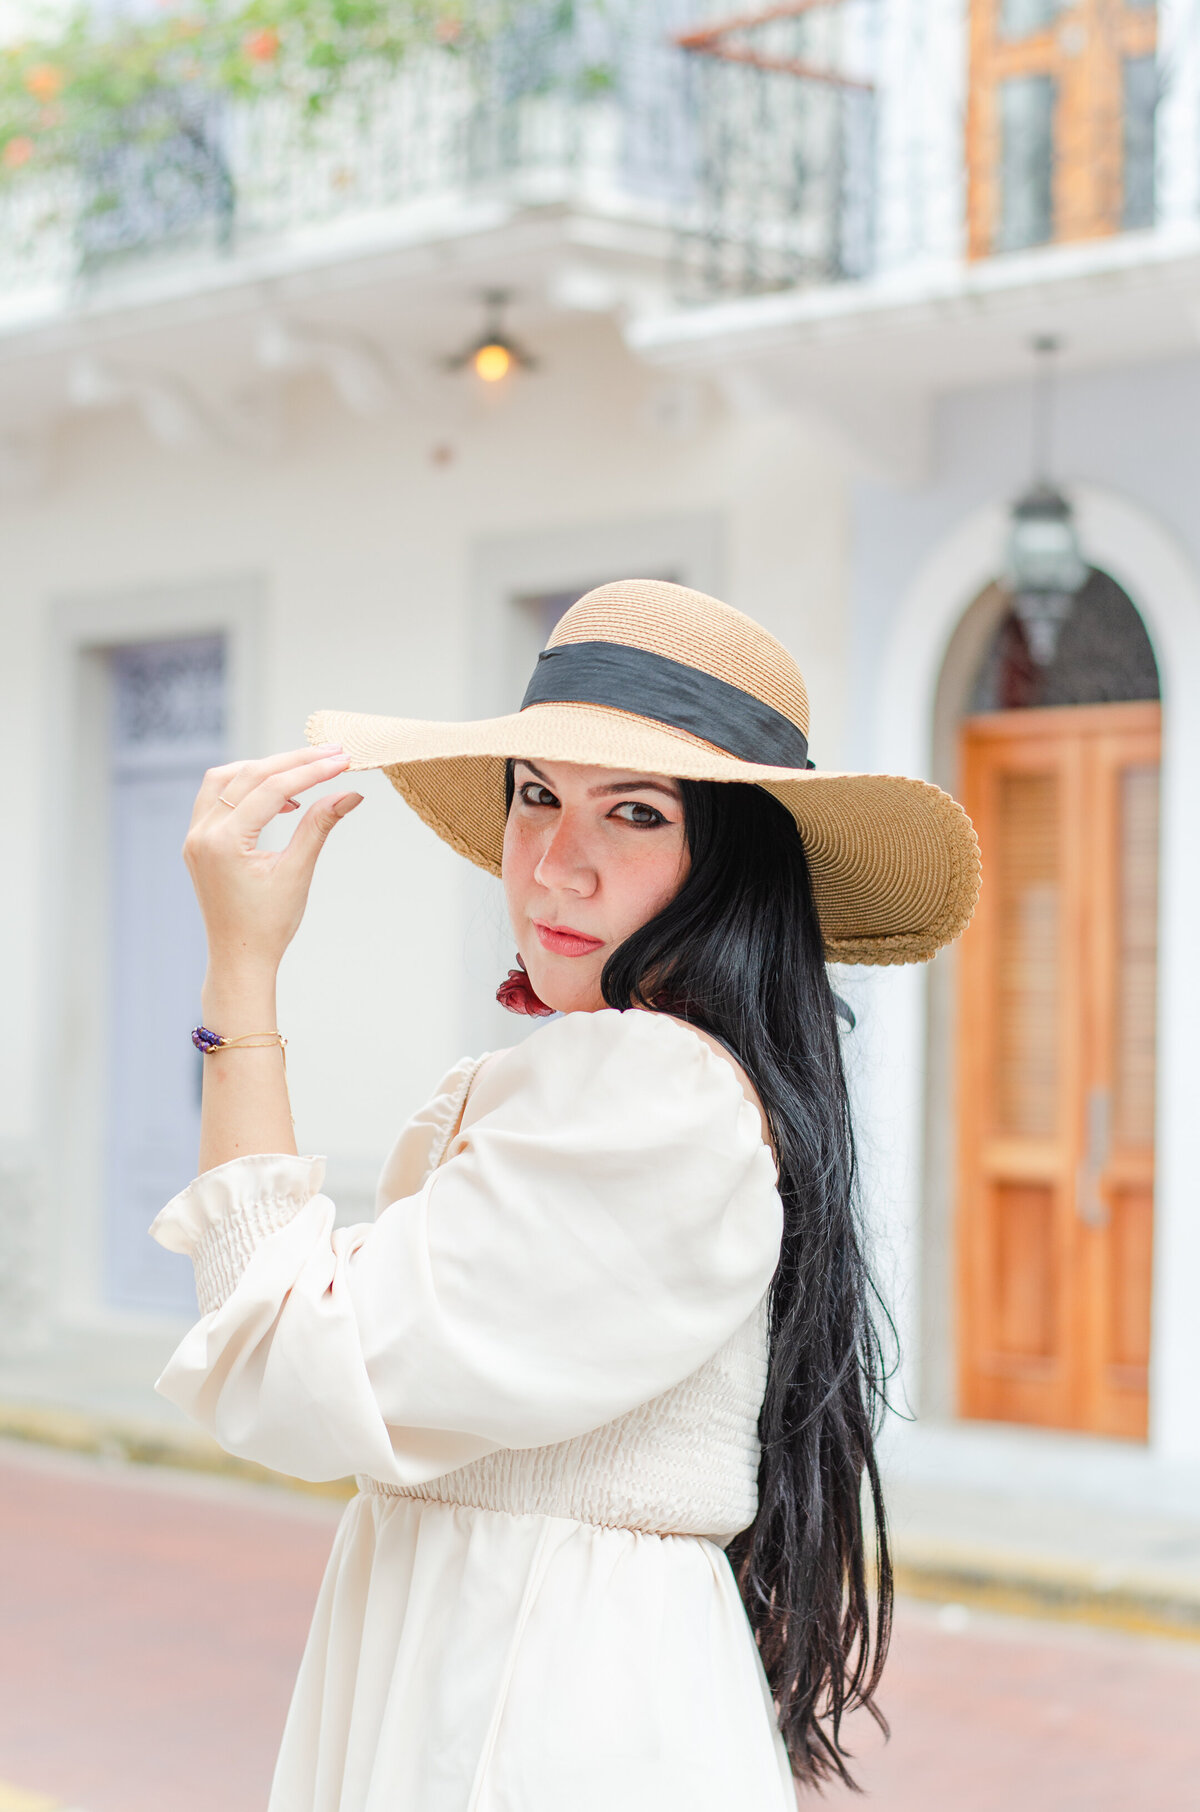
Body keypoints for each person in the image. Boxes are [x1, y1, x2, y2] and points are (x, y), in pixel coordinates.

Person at [150, 579, 980, 1811]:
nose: (556, 864)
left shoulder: (653, 1096)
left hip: (532, 1710)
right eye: (535, 795)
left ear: (726, 863)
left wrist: (242, 975)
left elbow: (283, 1364)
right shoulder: (616, 1089)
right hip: (516, 1678)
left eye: (633, 813)